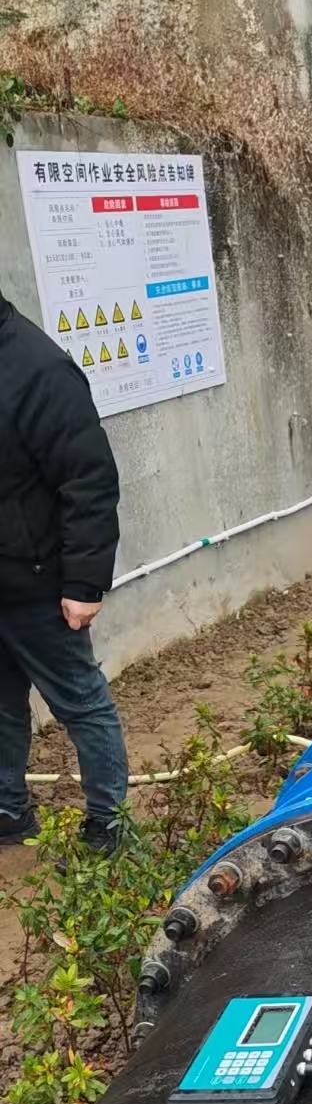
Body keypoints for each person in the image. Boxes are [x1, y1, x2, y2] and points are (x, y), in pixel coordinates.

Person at [0, 286, 129, 852]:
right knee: (1, 706)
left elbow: (89, 480)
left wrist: (82, 583)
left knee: (81, 704)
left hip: (38, 581)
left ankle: (108, 823)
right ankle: (8, 808)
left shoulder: (39, 369)